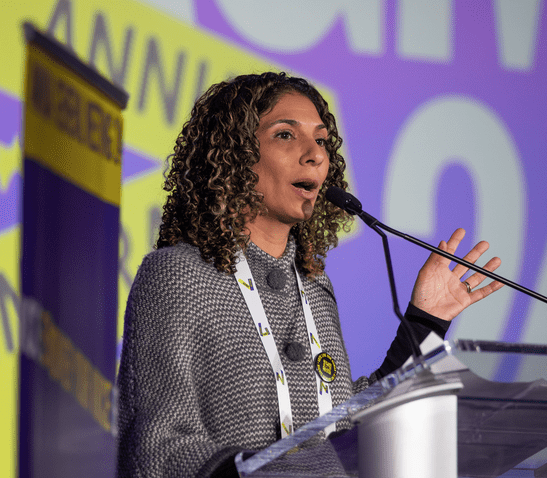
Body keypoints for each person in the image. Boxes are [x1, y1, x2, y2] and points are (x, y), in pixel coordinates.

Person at [115, 72, 504, 477]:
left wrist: (425, 319)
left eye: (320, 140)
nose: (315, 154)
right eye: (286, 135)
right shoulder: (177, 276)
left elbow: (344, 425)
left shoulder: (314, 286)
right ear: (233, 155)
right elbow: (155, 446)